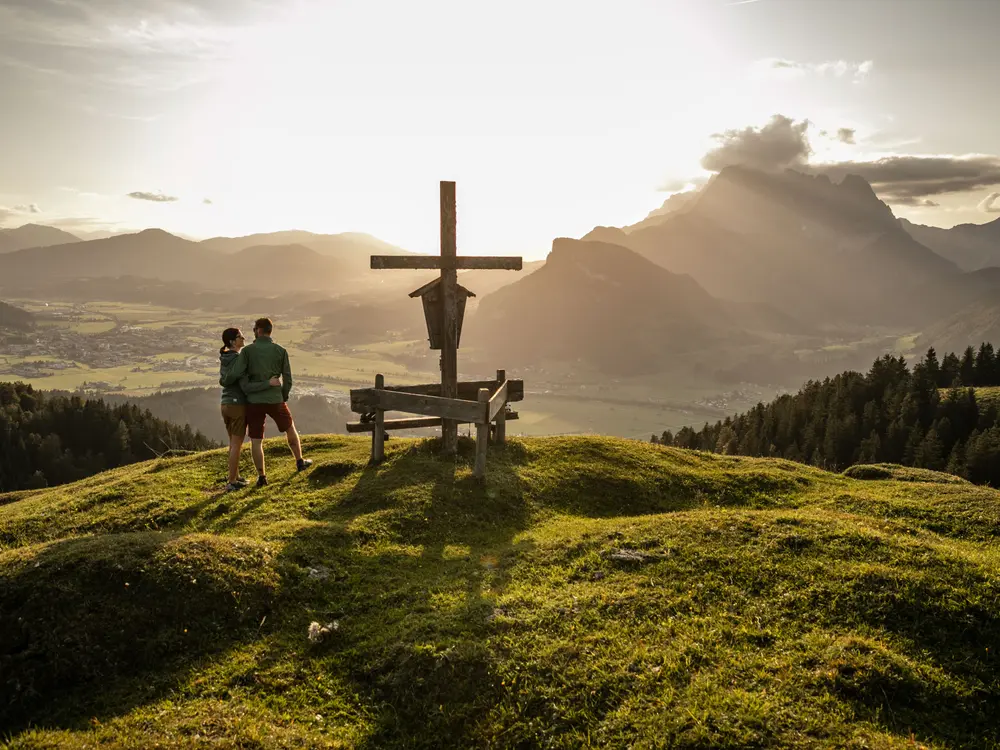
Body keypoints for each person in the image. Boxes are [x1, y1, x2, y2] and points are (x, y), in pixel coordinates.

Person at [220, 317, 312, 487]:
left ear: (259, 330)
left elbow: (236, 374)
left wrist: (225, 380)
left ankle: (262, 477)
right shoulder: (280, 351)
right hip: (275, 399)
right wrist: (283, 395)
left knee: (256, 440)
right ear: (270, 331)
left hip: (254, 402)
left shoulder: (247, 352)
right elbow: (288, 378)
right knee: (290, 428)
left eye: (254, 329)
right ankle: (299, 461)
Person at [219, 327, 280, 491]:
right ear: (232, 341)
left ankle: (236, 476)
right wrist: (267, 383)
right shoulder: (238, 360)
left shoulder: (225, 357)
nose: (243, 338)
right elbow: (246, 387)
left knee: (232, 443)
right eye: (240, 336)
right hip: (237, 404)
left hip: (225, 404)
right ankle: (231, 482)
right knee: (237, 444)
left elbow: (224, 380)